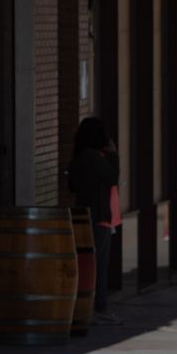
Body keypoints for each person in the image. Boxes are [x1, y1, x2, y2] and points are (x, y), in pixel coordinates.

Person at [67, 117, 120, 315]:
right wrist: (114, 155)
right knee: (100, 264)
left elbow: (72, 185)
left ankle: (90, 306)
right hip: (99, 216)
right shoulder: (95, 158)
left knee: (89, 262)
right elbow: (113, 177)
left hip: (83, 214)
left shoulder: (79, 157)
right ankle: (100, 307)